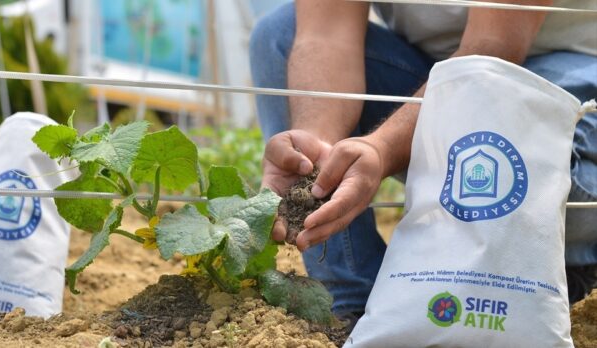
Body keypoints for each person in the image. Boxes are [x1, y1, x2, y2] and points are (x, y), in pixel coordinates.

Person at [249, 0, 597, 324]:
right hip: (428, 72)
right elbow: (325, 36)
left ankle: (567, 266)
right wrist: (318, 152)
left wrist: (382, 148)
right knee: (281, 33)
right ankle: (349, 306)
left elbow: (495, 45)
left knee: (551, 170)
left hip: (566, 69)